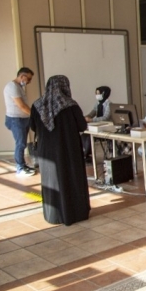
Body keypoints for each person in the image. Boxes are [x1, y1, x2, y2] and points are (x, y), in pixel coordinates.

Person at [29, 75, 90, 226]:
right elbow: (82, 126)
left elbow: (33, 127)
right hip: (69, 150)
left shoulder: (37, 105)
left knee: (51, 181)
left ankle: (53, 216)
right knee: (71, 179)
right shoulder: (70, 105)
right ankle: (75, 213)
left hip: (46, 151)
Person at [3, 67, 36, 177]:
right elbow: (21, 106)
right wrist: (35, 116)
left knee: (22, 143)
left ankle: (23, 165)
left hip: (22, 119)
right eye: (29, 79)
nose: (29, 82)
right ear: (22, 76)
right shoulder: (12, 87)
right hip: (15, 120)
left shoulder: (19, 87)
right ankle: (20, 168)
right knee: (20, 144)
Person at [82, 86, 112, 162]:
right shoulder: (97, 103)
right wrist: (85, 117)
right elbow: (92, 113)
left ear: (103, 93)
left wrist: (91, 120)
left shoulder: (109, 104)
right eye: (96, 93)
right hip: (97, 125)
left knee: (89, 136)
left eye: (98, 93)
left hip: (106, 126)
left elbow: (105, 118)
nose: (96, 95)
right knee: (84, 135)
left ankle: (87, 155)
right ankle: (86, 155)